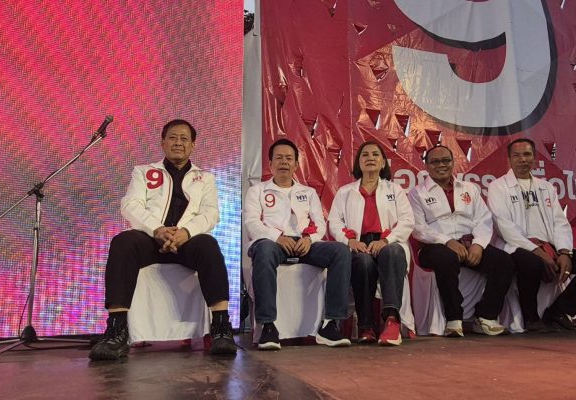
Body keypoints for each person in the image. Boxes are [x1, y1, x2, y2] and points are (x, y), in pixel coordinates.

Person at [89, 119, 237, 360]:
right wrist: (157, 230)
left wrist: (185, 232)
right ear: (162, 143)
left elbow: (211, 213)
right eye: (173, 137)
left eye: (184, 138)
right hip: (151, 238)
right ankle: (116, 330)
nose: (178, 142)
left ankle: (221, 327)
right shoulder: (144, 171)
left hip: (186, 240)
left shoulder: (205, 178)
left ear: (192, 145)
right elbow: (130, 205)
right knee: (123, 242)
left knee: (208, 245)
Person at [487, 138, 576, 333]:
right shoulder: (498, 186)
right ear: (509, 159)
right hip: (516, 246)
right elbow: (503, 226)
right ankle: (531, 318)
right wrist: (537, 250)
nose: (522, 159)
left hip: (549, 247)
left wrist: (564, 252)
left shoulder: (546, 187)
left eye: (527, 154)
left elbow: (560, 222)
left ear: (534, 158)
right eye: (517, 155)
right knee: (531, 262)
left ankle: (559, 312)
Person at [244, 138, 352, 350]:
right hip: (272, 243)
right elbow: (252, 223)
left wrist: (309, 239)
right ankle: (268, 326)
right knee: (264, 250)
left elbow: (319, 223)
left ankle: (331, 324)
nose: (284, 162)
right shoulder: (257, 191)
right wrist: (277, 237)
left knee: (340, 251)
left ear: (296, 164)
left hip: (303, 244)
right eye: (279, 158)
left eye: (289, 158)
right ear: (270, 164)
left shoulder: (308, 192)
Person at [408, 145, 513, 337]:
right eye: (435, 161)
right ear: (426, 166)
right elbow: (418, 228)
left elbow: (483, 219)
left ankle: (485, 317)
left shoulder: (469, 188)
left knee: (504, 262)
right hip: (434, 247)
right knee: (446, 258)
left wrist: (478, 244)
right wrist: (447, 241)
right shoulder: (417, 193)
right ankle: (454, 319)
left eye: (446, 160)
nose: (441, 165)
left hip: (469, 244)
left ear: (453, 162)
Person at [328, 141, 414, 346]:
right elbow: (334, 222)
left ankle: (392, 320)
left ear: (383, 162)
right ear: (358, 162)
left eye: (375, 154)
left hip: (388, 241)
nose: (370, 158)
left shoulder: (395, 189)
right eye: (365, 155)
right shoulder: (345, 192)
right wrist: (350, 241)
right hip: (359, 244)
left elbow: (407, 221)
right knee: (363, 262)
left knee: (393, 252)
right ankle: (366, 327)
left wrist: (385, 240)